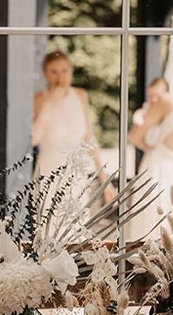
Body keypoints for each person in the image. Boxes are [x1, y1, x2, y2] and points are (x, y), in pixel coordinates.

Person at [32, 50, 115, 203]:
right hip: (49, 171)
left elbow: (88, 138)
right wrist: (49, 103)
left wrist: (104, 179)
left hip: (76, 174)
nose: (60, 77)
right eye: (54, 72)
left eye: (64, 71)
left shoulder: (80, 95)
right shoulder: (39, 99)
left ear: (70, 71)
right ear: (45, 73)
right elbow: (34, 139)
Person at [127, 76, 173, 241]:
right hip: (159, 168)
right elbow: (133, 135)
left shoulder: (165, 102)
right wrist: (153, 148)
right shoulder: (163, 102)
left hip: (163, 164)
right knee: (155, 217)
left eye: (157, 93)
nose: (154, 98)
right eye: (151, 94)